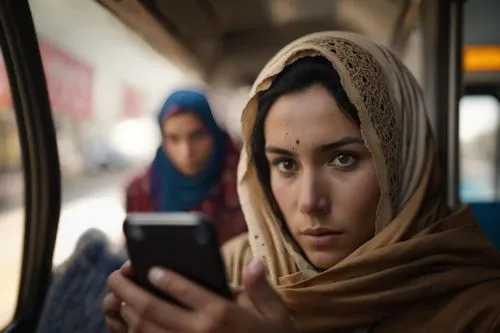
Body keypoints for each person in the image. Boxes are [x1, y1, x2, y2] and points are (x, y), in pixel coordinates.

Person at [103, 31, 500, 333]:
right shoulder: (235, 268)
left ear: (403, 163)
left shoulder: (480, 312)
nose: (310, 202)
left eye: (343, 159)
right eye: (286, 165)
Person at [126, 88, 246, 245]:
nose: (186, 152)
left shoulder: (245, 181)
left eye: (196, 136)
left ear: (213, 134)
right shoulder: (140, 190)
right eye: (173, 139)